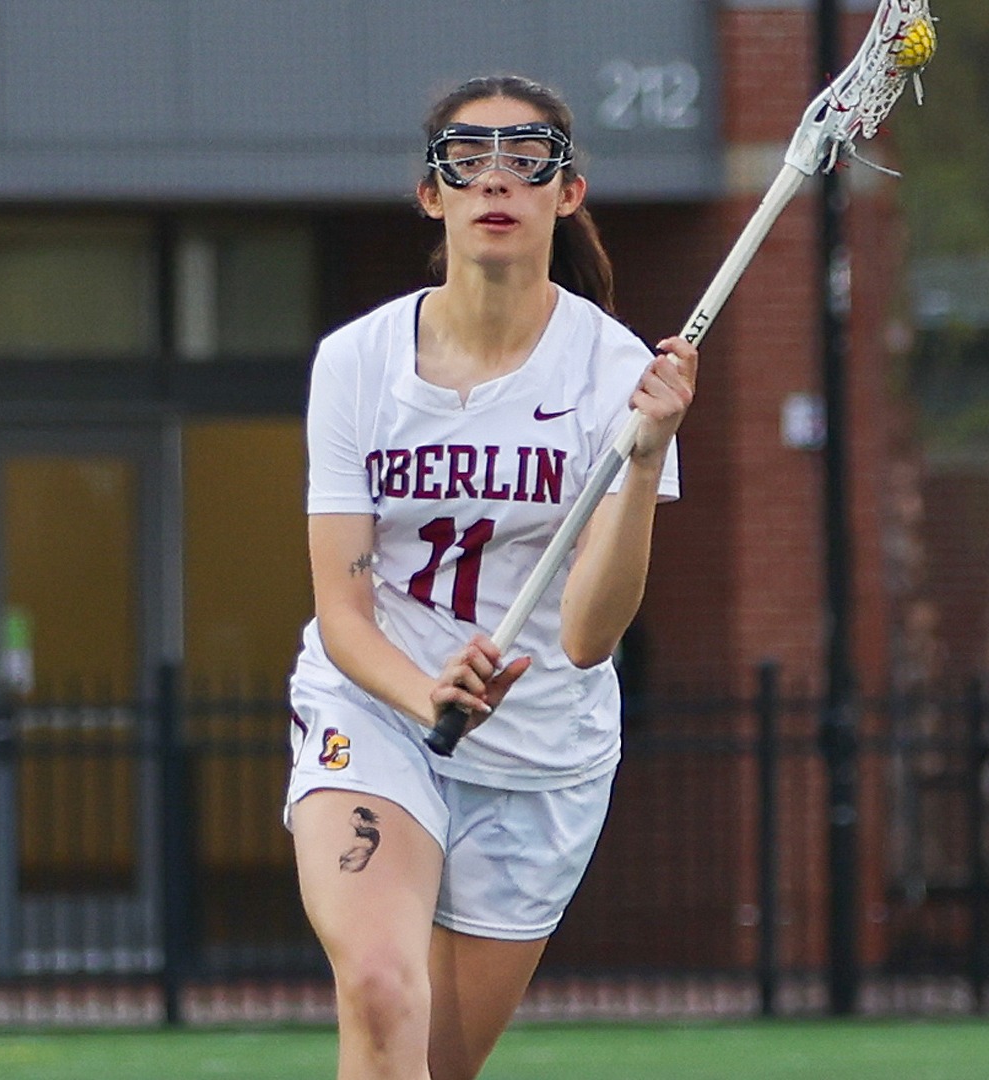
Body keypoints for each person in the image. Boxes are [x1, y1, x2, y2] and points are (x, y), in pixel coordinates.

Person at [283, 73, 697, 1080]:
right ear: (433, 194)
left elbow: (590, 638)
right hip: (381, 713)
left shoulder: (618, 377)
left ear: (569, 193)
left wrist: (646, 456)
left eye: (529, 159)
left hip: (540, 757)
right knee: (381, 991)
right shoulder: (356, 364)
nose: (497, 180)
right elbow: (343, 612)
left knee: (433, 1062)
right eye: (469, 159)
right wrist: (426, 693)